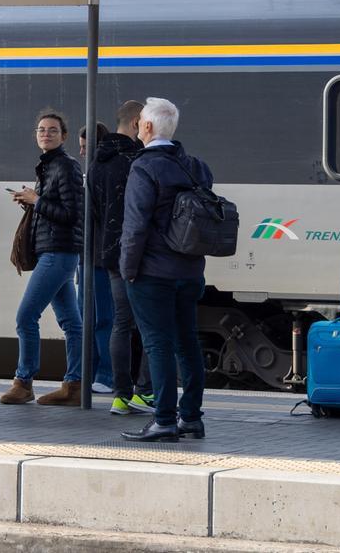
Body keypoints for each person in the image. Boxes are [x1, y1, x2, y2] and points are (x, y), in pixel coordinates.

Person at [118, 97, 212, 442]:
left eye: (140, 122)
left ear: (146, 126)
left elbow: (135, 226)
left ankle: (163, 420)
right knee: (187, 343)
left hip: (153, 272)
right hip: (190, 271)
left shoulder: (144, 167)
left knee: (157, 344)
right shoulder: (196, 167)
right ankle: (191, 418)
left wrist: (128, 269)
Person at [0, 112, 85, 406]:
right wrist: (32, 202)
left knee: (26, 316)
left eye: (52, 130)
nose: (45, 134)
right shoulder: (49, 166)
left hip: (58, 252)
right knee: (71, 322)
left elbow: (72, 214)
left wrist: (37, 201)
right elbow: (54, 209)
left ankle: (24, 382)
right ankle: (74, 385)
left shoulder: (66, 166)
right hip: (56, 251)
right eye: (41, 130)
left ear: (64, 136)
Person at [89, 99, 155, 416]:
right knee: (150, 324)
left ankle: (120, 396)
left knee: (121, 323)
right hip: (138, 253)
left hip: (111, 254)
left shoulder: (97, 162)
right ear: (135, 124)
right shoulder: (136, 160)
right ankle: (144, 392)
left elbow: (94, 212)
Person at [78, 121, 115, 393]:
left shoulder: (101, 173)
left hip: (100, 255)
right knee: (88, 317)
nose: (81, 152)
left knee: (102, 317)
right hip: (88, 254)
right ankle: (89, 373)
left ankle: (106, 374)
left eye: (84, 147)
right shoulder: (91, 172)